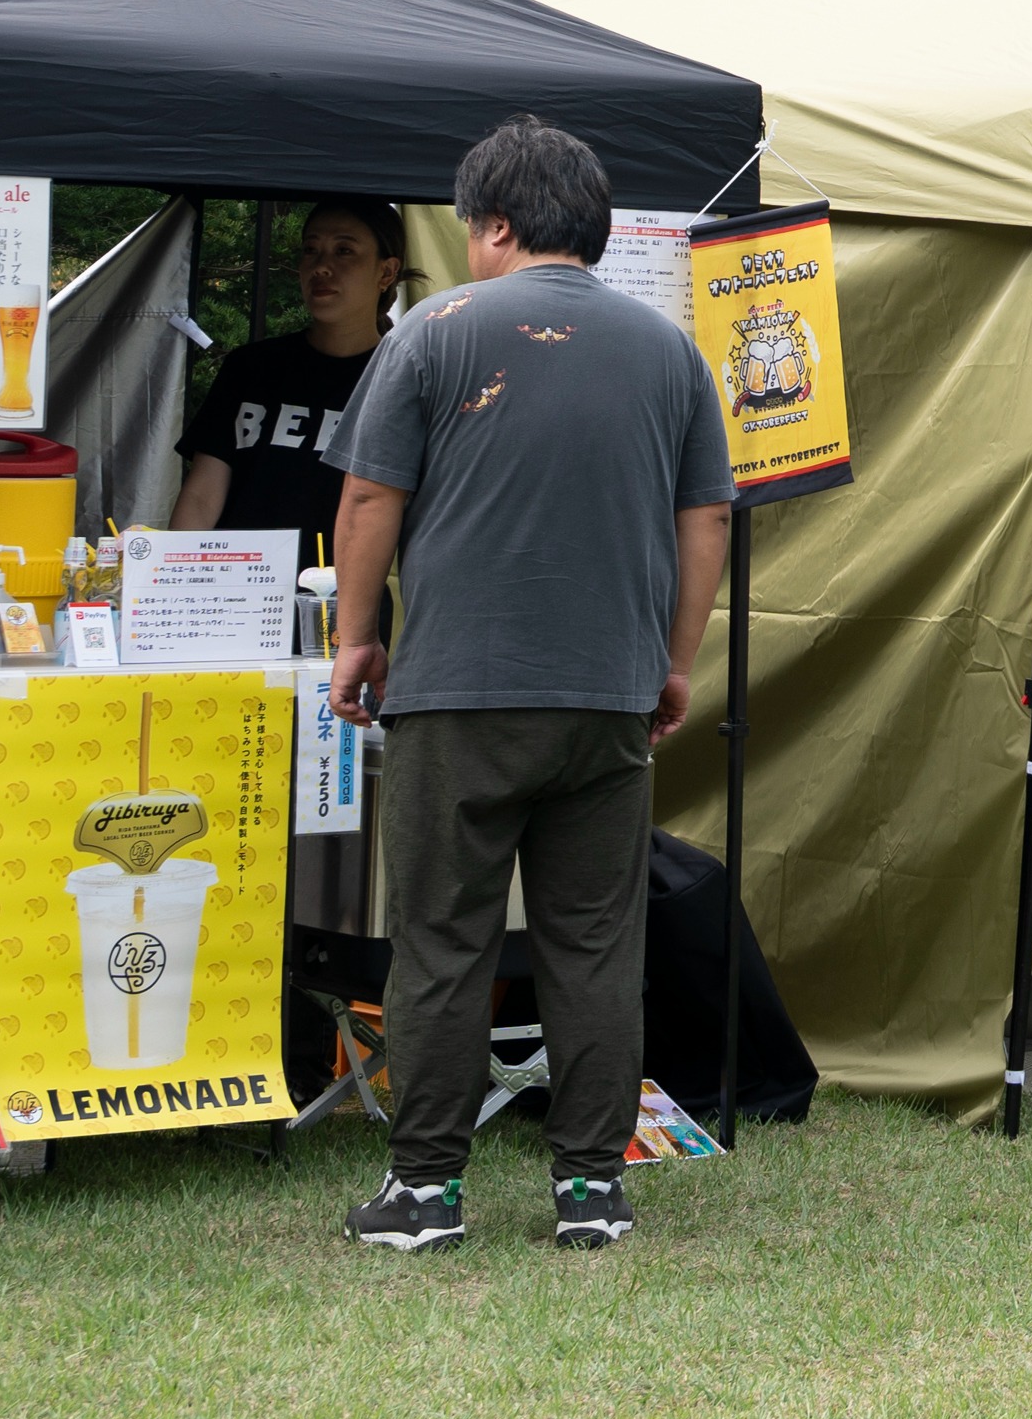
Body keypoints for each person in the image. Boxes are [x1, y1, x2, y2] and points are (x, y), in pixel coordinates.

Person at [324, 117, 734, 1256]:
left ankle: (424, 1194)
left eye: (470, 230)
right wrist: (673, 659)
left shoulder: (432, 333)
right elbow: (704, 519)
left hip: (457, 690)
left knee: (442, 939)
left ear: (496, 225)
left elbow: (368, 503)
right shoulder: (669, 351)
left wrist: (357, 638)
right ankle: (592, 1190)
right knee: (595, 944)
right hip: (607, 692)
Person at [172, 197, 412, 548]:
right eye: (310, 250)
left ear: (387, 272)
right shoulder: (251, 367)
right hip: (234, 589)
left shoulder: (405, 380)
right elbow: (202, 497)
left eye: (344, 251)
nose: (321, 267)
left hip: (338, 598)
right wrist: (169, 581)